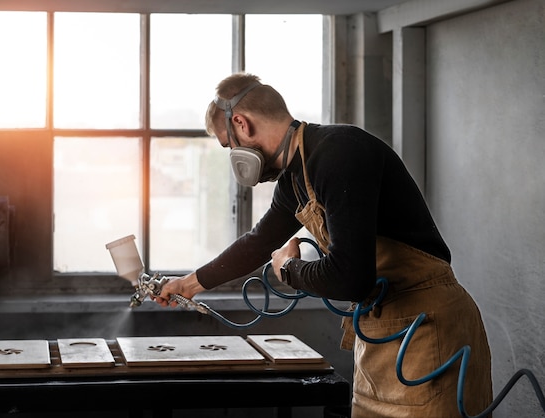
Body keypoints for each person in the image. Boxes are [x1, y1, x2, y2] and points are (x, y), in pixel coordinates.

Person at [154, 72, 493, 418]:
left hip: (428, 332)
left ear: (241, 124)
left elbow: (350, 278)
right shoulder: (295, 179)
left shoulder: (339, 152)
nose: (235, 158)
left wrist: (289, 269)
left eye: (230, 145)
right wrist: (188, 284)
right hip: (380, 334)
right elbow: (258, 243)